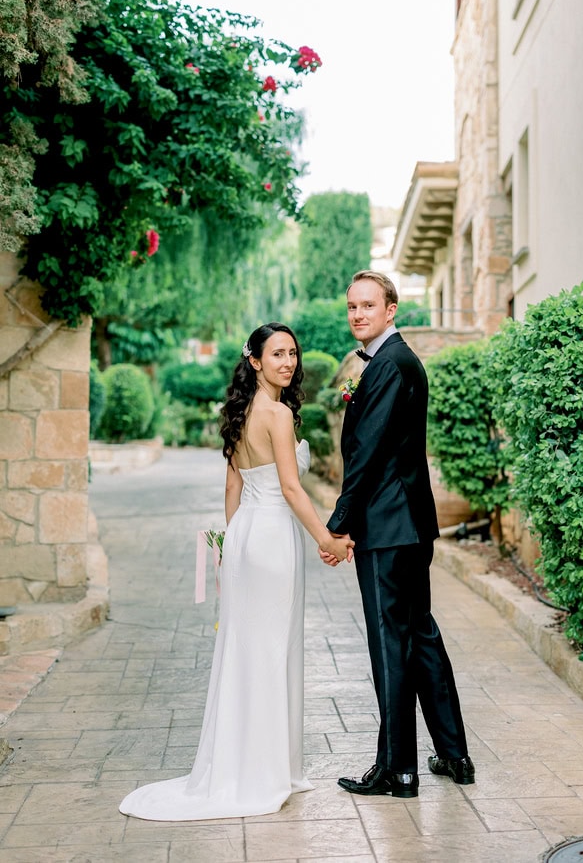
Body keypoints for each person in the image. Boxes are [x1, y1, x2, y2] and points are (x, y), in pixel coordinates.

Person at [119, 322, 353, 821]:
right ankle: (266, 773)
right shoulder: (278, 415)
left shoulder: (241, 411)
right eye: (276, 355)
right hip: (270, 536)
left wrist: (233, 546)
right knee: (271, 649)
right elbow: (291, 490)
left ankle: (250, 765)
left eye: (292, 353)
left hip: (246, 533)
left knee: (246, 648)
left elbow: (233, 489)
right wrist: (326, 539)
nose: (287, 362)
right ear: (255, 361)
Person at [320, 271, 474, 799]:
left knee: (391, 644)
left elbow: (366, 453)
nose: (358, 314)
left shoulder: (389, 364)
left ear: (391, 310)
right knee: (420, 635)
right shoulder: (395, 361)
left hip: (388, 527)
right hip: (408, 524)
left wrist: (337, 523)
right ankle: (454, 755)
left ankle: (398, 771)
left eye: (368, 305)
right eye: (351, 306)